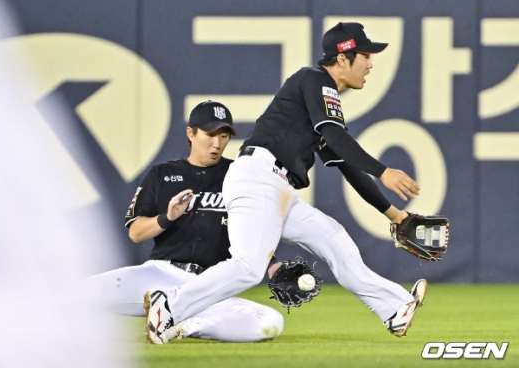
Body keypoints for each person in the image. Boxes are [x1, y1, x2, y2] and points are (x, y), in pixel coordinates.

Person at [146, 22, 429, 344]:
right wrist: (383, 171)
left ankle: (394, 308)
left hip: (276, 186)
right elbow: (337, 135)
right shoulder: (315, 80)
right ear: (342, 59)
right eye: (364, 55)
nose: (371, 63)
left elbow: (346, 164)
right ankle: (168, 306)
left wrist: (393, 214)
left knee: (334, 239)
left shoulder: (319, 99)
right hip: (258, 177)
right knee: (249, 267)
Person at [82, 100, 284, 343]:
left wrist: (274, 266)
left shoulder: (239, 176)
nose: (217, 143)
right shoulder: (163, 173)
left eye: (223, 135)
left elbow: (254, 232)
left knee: (271, 322)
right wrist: (167, 217)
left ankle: (178, 325)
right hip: (159, 276)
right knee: (76, 292)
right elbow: (136, 233)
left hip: (211, 286)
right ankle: (163, 310)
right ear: (191, 133)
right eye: (209, 134)